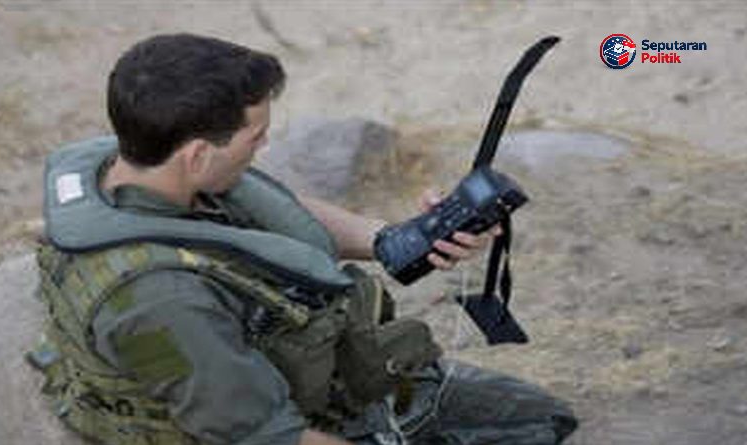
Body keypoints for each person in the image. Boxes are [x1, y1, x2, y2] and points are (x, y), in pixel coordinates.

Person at [28, 33, 577, 445]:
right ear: (196, 154)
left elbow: (278, 211)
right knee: (535, 431)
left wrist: (393, 240)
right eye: (256, 136)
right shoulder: (160, 299)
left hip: (320, 368)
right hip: (276, 420)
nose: (264, 148)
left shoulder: (145, 163)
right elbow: (269, 437)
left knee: (542, 418)